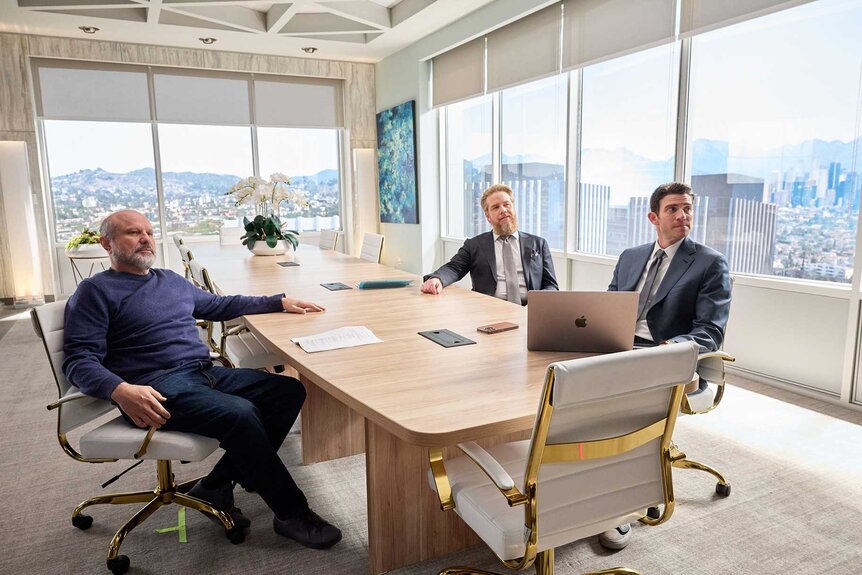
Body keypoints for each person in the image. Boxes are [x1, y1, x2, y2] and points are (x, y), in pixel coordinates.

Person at [63, 209, 342, 550]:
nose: (145, 238)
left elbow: (220, 305)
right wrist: (119, 390)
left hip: (202, 373)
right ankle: (292, 513)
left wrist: (278, 301)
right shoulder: (95, 291)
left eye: (149, 232)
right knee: (240, 415)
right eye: (133, 233)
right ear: (107, 243)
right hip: (155, 387)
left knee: (287, 391)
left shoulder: (170, 280)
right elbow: (78, 359)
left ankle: (217, 484)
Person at [601, 181, 732, 551]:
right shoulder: (631, 255)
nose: (682, 215)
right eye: (673, 209)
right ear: (653, 217)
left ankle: (621, 510)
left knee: (618, 413)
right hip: (618, 348)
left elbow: (710, 331)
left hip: (665, 358)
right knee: (559, 383)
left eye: (687, 208)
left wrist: (666, 349)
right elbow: (611, 306)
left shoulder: (709, 263)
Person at [420, 184, 558, 304]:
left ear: (513, 208)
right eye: (496, 207)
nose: (503, 210)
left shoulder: (539, 244)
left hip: (529, 310)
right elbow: (454, 268)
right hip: (488, 309)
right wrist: (437, 279)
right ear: (488, 216)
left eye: (506, 204)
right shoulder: (474, 245)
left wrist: (538, 303)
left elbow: (551, 285)